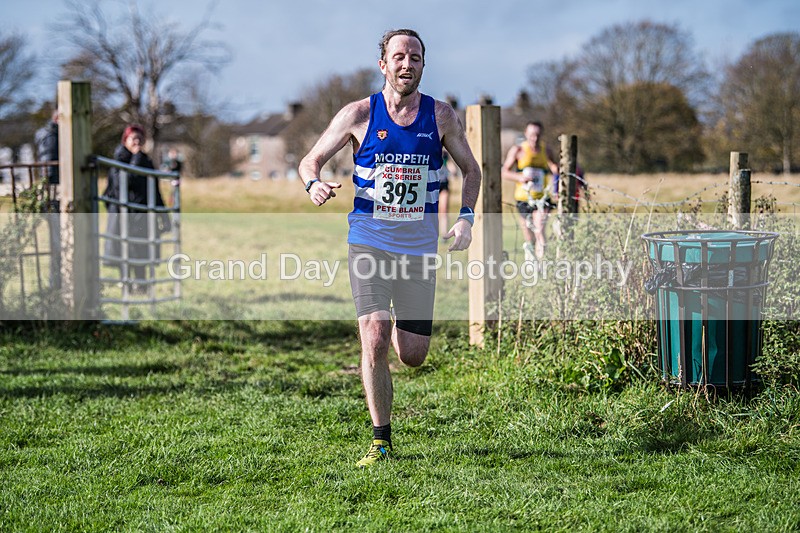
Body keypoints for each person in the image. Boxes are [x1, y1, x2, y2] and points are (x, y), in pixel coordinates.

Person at [298, 28, 481, 467]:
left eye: (415, 57)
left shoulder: (440, 116)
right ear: (383, 64)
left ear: (423, 65)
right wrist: (313, 183)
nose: (406, 64)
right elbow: (309, 160)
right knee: (375, 335)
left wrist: (466, 218)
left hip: (418, 247)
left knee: (413, 356)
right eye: (398, 56)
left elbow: (472, 170)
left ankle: (395, 324)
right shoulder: (358, 114)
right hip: (369, 240)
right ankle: (381, 441)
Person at [103, 124, 170, 295]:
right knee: (124, 250)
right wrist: (137, 158)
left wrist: (164, 216)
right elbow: (124, 183)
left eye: (140, 138)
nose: (137, 142)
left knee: (141, 250)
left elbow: (154, 191)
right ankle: (126, 285)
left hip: (141, 216)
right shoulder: (118, 161)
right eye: (133, 138)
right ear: (125, 140)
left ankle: (141, 286)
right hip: (123, 216)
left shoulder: (146, 161)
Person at [501, 121, 559, 261]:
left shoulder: (546, 150)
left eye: (538, 135)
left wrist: (557, 184)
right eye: (532, 135)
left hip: (542, 197)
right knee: (529, 237)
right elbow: (505, 172)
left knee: (540, 229)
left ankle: (543, 263)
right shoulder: (518, 150)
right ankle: (532, 264)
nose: (535, 138)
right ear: (526, 134)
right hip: (523, 199)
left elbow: (555, 168)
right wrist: (520, 177)